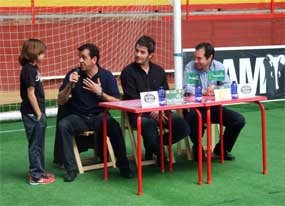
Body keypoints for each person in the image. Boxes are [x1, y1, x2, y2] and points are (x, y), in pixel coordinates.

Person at [57, 43, 133, 182]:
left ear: (94, 60)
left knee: (114, 126)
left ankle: (124, 166)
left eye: (83, 57)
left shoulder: (106, 76)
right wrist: (69, 85)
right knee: (63, 125)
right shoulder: (73, 74)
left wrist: (100, 92)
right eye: (79, 57)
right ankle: (71, 169)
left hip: (100, 116)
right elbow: (60, 101)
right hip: (79, 118)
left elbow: (117, 101)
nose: (80, 61)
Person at [120, 35, 190, 164]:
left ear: (150, 55)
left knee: (183, 126)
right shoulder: (127, 72)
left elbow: (166, 95)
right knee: (149, 124)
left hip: (160, 112)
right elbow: (131, 99)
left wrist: (160, 111)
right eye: (136, 51)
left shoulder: (159, 71)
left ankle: (153, 144)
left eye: (142, 52)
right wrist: (151, 111)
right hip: (139, 114)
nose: (138, 54)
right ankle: (160, 155)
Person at [183, 42, 246, 161]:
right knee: (193, 118)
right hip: (195, 108)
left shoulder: (219, 67)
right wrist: (203, 91)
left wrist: (216, 89)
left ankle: (221, 150)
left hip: (214, 108)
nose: (196, 61)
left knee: (238, 120)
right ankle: (197, 147)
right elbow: (187, 87)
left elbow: (227, 86)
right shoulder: (190, 67)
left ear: (210, 57)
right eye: (195, 57)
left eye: (199, 58)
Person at [19, 39, 55, 185]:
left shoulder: (34, 68)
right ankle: (35, 176)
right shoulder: (28, 70)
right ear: (34, 54)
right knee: (35, 144)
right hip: (33, 113)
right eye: (42, 53)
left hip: (37, 112)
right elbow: (30, 93)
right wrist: (38, 113)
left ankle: (39, 171)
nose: (44, 55)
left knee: (39, 143)